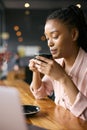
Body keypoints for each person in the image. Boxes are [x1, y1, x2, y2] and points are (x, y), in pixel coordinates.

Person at [29, 5, 87, 120]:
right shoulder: (57, 63)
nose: (49, 43)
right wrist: (36, 72)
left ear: (74, 34)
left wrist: (62, 78)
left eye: (54, 36)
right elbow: (40, 94)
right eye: (47, 38)